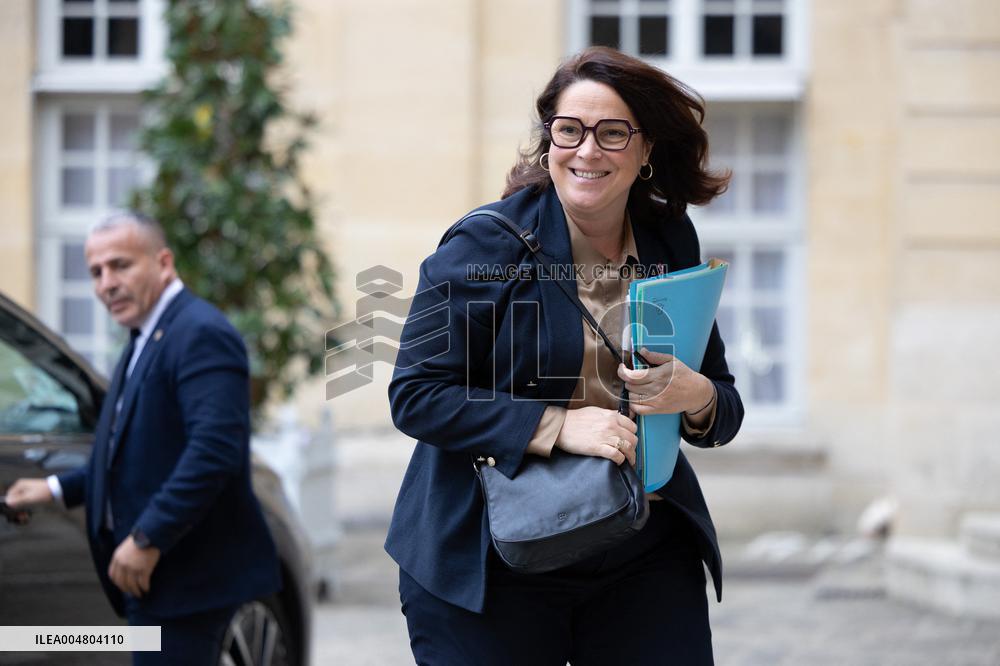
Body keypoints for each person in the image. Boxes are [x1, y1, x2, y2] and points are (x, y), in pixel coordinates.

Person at [385, 46, 744, 664]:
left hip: (639, 541)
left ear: (646, 148)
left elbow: (723, 406)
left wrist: (698, 397)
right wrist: (556, 425)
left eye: (612, 133)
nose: (587, 151)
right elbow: (416, 392)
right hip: (493, 552)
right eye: (569, 130)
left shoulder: (670, 238)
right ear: (548, 139)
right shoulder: (486, 243)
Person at [5, 213, 281, 665]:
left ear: (164, 263)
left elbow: (214, 452)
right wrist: (54, 488)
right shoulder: (146, 335)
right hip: (160, 582)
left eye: (120, 266)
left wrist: (147, 538)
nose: (106, 284)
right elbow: (132, 452)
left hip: (185, 580)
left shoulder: (200, 332)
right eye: (96, 272)